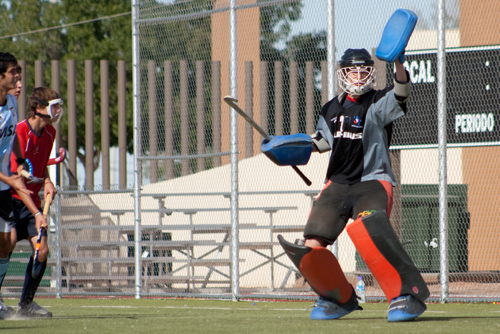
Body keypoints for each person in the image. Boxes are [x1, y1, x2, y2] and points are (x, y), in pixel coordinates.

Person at [273, 49, 429, 322]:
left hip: (372, 182)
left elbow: (402, 92)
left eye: (363, 70)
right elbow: (321, 142)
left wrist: (397, 62)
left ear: (370, 73)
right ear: (342, 74)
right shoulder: (330, 108)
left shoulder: (378, 101)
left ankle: (406, 296)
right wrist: (285, 149)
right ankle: (337, 298)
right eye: (352, 71)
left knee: (371, 230)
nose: (357, 76)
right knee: (311, 246)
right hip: (337, 185)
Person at [8, 87, 62, 318]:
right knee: (4, 250)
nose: (59, 110)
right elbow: (17, 180)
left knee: (41, 251)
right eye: (54, 106)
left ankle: (26, 304)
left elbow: (42, 163)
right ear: (39, 108)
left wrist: (48, 181)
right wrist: (38, 213)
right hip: (10, 199)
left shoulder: (49, 133)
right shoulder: (19, 132)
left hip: (32, 203)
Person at [0, 52, 33, 320]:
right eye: (13, 72)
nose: (18, 76)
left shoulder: (11, 102)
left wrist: (20, 161)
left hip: (2, 186)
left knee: (7, 242)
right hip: (3, 181)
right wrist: (10, 178)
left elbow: (13, 138)